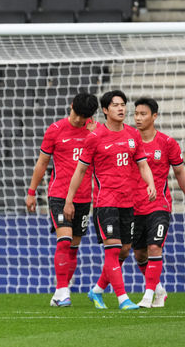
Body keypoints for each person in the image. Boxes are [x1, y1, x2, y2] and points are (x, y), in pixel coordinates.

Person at [64, 90, 156, 310]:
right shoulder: (94, 137)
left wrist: (150, 183)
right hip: (105, 202)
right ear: (105, 110)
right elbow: (80, 171)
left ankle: (96, 291)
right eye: (115, 105)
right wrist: (69, 200)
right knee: (113, 250)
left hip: (128, 202)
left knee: (125, 250)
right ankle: (123, 298)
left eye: (123, 104)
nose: (121, 108)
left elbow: (143, 164)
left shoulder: (133, 135)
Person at [25, 92, 99, 307]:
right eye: (77, 114)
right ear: (71, 106)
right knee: (64, 241)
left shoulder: (96, 132)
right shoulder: (55, 130)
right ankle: (63, 290)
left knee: (74, 246)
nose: (78, 120)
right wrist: (31, 192)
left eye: (83, 117)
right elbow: (42, 162)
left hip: (84, 196)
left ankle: (61, 291)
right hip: (59, 194)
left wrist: (96, 136)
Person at [127, 97, 184, 307]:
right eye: (136, 114)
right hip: (133, 206)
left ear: (154, 116)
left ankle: (148, 295)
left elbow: (179, 172)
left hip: (159, 205)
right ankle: (159, 290)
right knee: (139, 254)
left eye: (143, 114)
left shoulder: (168, 143)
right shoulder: (128, 142)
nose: (138, 118)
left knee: (154, 247)